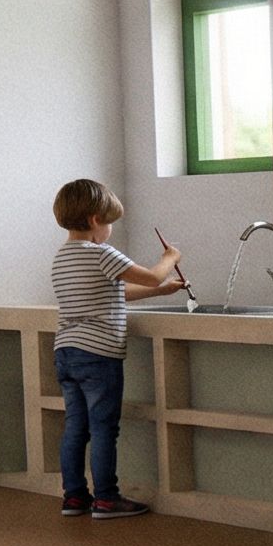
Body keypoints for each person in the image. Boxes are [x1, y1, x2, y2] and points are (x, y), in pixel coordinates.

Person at [48, 178, 184, 519]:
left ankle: (74, 497)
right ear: (95, 220)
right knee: (104, 427)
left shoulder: (62, 258)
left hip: (66, 352)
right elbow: (151, 276)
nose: (110, 230)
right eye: (109, 223)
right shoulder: (101, 253)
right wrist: (170, 258)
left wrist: (161, 292)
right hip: (99, 354)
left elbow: (114, 293)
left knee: (76, 427)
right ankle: (107, 498)